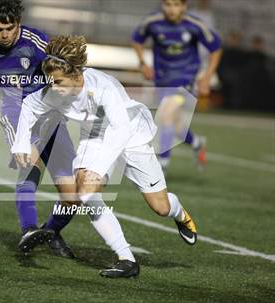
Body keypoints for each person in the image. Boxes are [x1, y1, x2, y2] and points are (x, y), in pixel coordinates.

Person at [12, 35, 197, 278]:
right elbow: (29, 106)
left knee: (160, 207)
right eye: (51, 81)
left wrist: (98, 168)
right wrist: (21, 144)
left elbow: (120, 130)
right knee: (87, 192)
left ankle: (179, 213)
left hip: (131, 134)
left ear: (77, 74)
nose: (53, 88)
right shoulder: (55, 89)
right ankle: (126, 259)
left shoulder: (102, 88)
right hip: (96, 136)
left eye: (58, 82)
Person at [0, 0, 77, 258]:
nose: (5, 34)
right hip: (17, 115)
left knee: (73, 195)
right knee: (28, 166)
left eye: (10, 27)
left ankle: (51, 232)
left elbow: (66, 70)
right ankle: (28, 230)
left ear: (19, 23)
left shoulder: (38, 42)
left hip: (49, 115)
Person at [132, 0, 222, 171]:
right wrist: (142, 63)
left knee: (166, 115)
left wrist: (207, 77)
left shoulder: (195, 25)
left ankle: (161, 165)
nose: (172, 9)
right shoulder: (152, 22)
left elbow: (216, 48)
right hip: (162, 79)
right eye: (168, 4)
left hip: (185, 78)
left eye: (176, 4)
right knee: (176, 126)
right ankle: (197, 143)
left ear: (184, 6)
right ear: (162, 5)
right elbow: (137, 39)